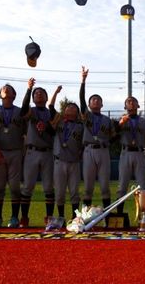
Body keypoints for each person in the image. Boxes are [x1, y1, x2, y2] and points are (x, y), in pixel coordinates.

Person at [19, 78, 60, 227]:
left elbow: (54, 131)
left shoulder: (52, 112)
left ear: (46, 97)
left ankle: (49, 218)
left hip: (47, 152)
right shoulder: (32, 110)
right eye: (36, 94)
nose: (38, 95)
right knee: (28, 186)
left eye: (41, 93)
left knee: (49, 187)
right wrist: (29, 89)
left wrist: (46, 127)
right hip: (32, 151)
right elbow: (23, 109)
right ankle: (24, 218)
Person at [0, 83, 25, 228]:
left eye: (9, 89)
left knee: (15, 187)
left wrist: (23, 153)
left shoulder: (20, 112)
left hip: (15, 151)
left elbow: (26, 135)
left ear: (14, 95)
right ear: (0, 95)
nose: (6, 89)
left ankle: (14, 217)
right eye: (3, 89)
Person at [80, 66, 115, 209]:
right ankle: (84, 218)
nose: (95, 101)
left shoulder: (107, 120)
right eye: (92, 100)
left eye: (97, 100)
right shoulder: (86, 115)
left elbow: (114, 135)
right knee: (88, 187)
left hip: (103, 151)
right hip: (89, 150)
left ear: (102, 104)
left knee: (105, 186)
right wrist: (83, 80)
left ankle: (107, 218)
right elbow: (81, 99)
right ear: (89, 104)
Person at [47, 97, 84, 230]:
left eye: (74, 107)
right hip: (59, 160)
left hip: (74, 162)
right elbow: (50, 107)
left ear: (77, 112)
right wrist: (56, 93)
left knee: (74, 191)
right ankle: (61, 217)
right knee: (60, 192)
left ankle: (75, 218)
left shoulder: (80, 126)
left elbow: (84, 143)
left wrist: (82, 152)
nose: (70, 108)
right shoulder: (60, 122)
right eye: (68, 106)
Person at [115, 95, 145, 214]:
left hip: (139, 152)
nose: (131, 103)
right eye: (128, 102)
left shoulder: (144, 122)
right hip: (125, 152)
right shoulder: (121, 120)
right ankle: (119, 215)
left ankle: (144, 217)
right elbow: (113, 135)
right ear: (125, 106)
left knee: (143, 186)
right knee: (122, 186)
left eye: (133, 101)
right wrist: (120, 124)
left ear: (138, 105)